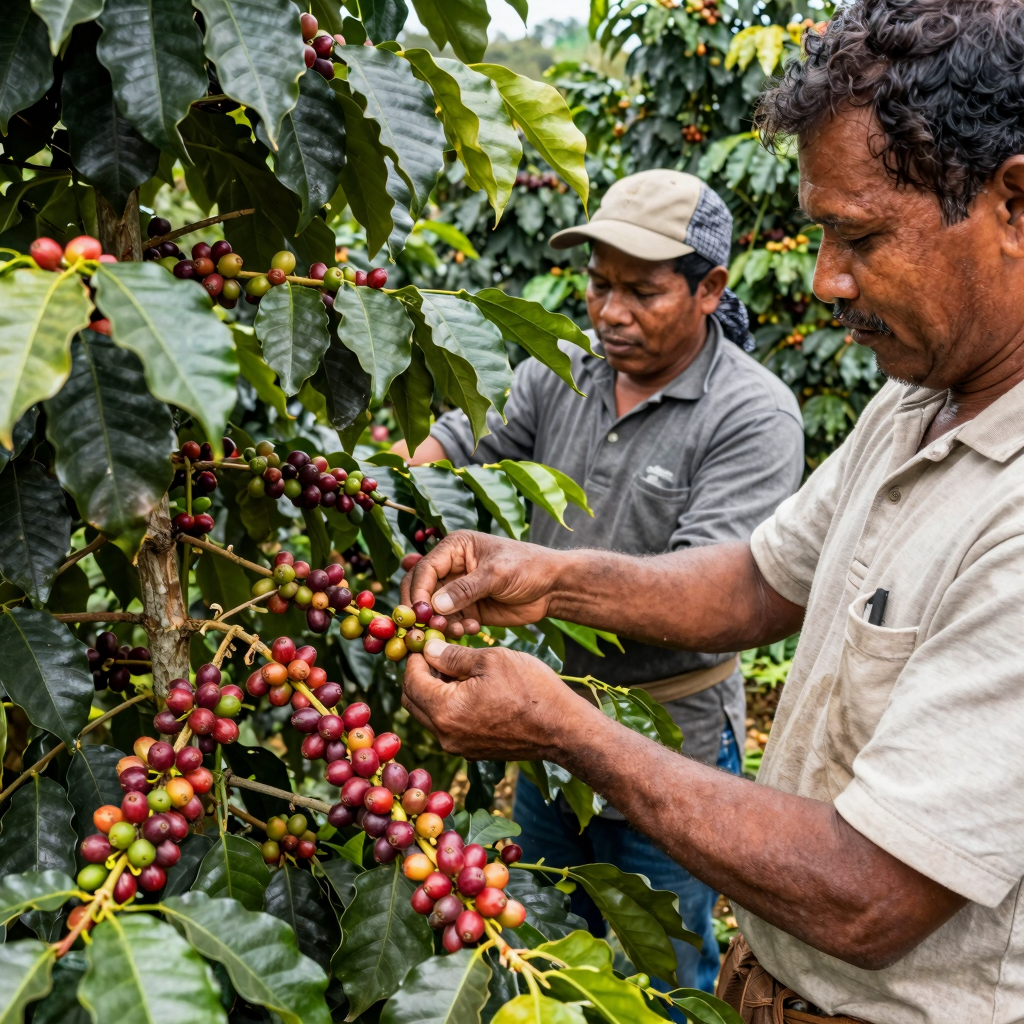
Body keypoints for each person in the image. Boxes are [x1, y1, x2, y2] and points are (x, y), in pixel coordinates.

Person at [399, 0, 1024, 1019]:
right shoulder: (916, 401)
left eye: (859, 235)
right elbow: (754, 582)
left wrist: (563, 726)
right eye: (820, 234)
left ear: (1014, 205)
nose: (823, 281)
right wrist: (550, 576)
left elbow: (871, 893)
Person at [391, 170, 804, 991]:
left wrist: (550, 578)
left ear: (709, 289)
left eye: (642, 292)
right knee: (538, 940)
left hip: (670, 738)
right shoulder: (563, 369)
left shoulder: (752, 415)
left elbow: (718, 596)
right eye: (599, 284)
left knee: (667, 967)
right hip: (541, 725)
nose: (610, 312)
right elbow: (462, 445)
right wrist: (377, 490)